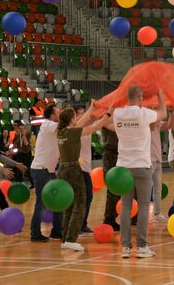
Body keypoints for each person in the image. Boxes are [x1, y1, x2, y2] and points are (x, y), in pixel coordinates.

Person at [111, 86, 166, 259]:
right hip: (142, 165)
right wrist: (160, 95)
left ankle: (125, 248)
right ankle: (142, 247)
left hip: (122, 168)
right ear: (141, 98)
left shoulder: (118, 114)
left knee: (126, 206)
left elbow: (111, 109)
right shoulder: (144, 114)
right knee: (143, 205)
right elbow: (163, 113)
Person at [56, 105, 113, 251]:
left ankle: (65, 239)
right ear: (71, 119)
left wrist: (92, 108)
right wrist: (107, 114)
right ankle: (71, 239)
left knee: (69, 204)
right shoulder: (74, 132)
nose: (77, 118)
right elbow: (96, 127)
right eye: (75, 116)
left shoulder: (61, 132)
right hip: (73, 169)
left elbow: (81, 122)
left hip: (62, 169)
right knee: (80, 204)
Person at [29, 104, 63, 242]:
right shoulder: (47, 124)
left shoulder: (52, 127)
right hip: (40, 170)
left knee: (57, 201)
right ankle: (35, 234)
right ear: (52, 116)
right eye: (58, 112)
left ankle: (57, 231)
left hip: (48, 170)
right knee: (41, 203)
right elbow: (66, 126)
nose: (60, 113)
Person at [74, 106, 94, 234]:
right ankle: (78, 225)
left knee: (87, 197)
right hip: (78, 168)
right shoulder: (74, 130)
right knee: (81, 198)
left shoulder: (87, 127)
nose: (84, 116)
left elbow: (94, 120)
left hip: (86, 167)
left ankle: (82, 224)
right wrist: (90, 113)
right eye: (80, 114)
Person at [101, 127, 120, 231]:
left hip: (120, 151)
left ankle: (132, 216)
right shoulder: (107, 117)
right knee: (113, 187)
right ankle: (109, 219)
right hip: (111, 151)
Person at [150, 121, 168, 223]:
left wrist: (170, 112)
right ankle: (139, 215)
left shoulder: (156, 119)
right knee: (146, 189)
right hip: (148, 159)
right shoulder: (146, 117)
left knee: (158, 188)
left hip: (157, 158)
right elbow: (152, 126)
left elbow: (169, 125)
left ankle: (157, 213)